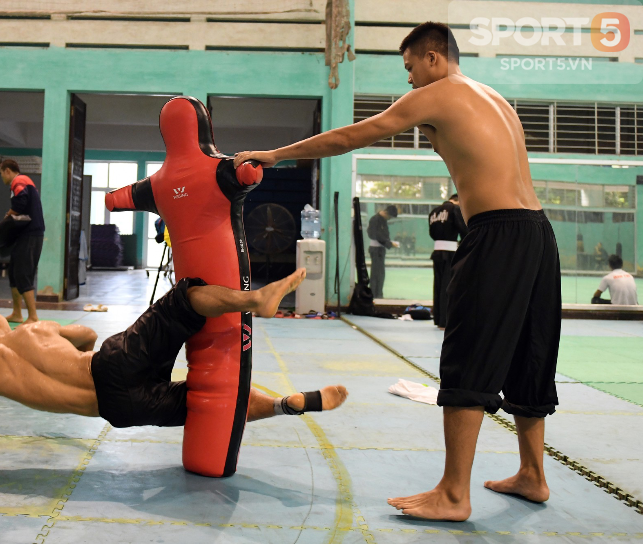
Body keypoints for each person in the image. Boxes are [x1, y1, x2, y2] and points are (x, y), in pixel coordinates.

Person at [234, 22, 560, 521]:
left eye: (410, 68)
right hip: (537, 233)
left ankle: (453, 494)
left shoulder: (438, 93)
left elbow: (350, 136)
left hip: (496, 235)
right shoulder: (493, 97)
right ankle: (533, 476)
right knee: (529, 354)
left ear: (433, 58)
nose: (409, 81)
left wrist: (276, 155)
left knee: (469, 351)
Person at [0, 269, 348, 459]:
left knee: (210, 402)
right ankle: (256, 299)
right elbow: (90, 336)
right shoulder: (33, 330)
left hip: (119, 409)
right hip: (109, 366)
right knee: (183, 297)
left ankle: (286, 406)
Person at [0, 159, 45, 324]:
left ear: (7, 171)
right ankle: (17, 313)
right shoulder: (24, 181)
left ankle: (33, 316)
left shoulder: (19, 181)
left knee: (23, 273)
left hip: (31, 234)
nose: (2, 177)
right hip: (25, 234)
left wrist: (6, 218)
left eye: (1, 173)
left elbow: (20, 203)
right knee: (14, 273)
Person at [428, 193, 468, 329]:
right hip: (450, 253)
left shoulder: (434, 212)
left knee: (438, 285)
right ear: (458, 201)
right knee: (448, 286)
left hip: (437, 252)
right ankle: (445, 321)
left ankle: (438, 318)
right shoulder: (455, 210)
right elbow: (464, 229)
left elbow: (432, 233)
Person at [366, 205, 400, 298]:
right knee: (376, 273)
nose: (389, 219)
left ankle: (379, 294)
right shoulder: (375, 219)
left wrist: (389, 242)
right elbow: (374, 235)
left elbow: (383, 235)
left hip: (380, 249)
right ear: (386, 213)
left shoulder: (383, 220)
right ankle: (374, 294)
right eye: (389, 217)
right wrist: (388, 243)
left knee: (380, 273)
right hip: (376, 249)